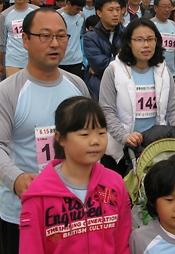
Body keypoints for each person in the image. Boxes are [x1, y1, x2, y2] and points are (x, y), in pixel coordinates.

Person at [0, 7, 91, 254]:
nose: (55, 43)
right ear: (26, 40)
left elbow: (91, 138)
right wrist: (17, 178)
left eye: (61, 36)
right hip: (23, 214)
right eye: (45, 36)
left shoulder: (77, 86)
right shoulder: (8, 92)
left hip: (72, 211)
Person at [19, 96, 131, 253]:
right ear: (60, 138)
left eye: (101, 132)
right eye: (84, 134)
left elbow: (122, 242)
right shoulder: (38, 195)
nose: (95, 141)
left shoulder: (115, 183)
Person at [99, 18, 175, 171]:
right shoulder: (113, 70)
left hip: (156, 148)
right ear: (128, 42)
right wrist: (125, 136)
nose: (146, 45)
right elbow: (107, 111)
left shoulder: (162, 69)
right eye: (139, 40)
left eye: (150, 39)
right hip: (120, 151)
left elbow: (174, 106)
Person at [0, 0, 38, 78]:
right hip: (13, 61)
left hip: (34, 61)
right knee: (15, 91)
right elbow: (0, 42)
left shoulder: (36, 12)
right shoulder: (4, 15)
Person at [83, 0, 124, 100]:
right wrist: (126, 60)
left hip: (123, 87)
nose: (115, 14)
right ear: (99, 13)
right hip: (98, 88)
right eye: (110, 10)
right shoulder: (90, 37)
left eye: (118, 10)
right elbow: (100, 65)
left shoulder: (128, 34)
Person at [57, 0, 85, 78]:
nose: (78, 11)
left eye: (80, 9)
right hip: (60, 61)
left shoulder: (81, 16)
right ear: (68, 3)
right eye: (76, 9)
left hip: (76, 60)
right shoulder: (57, 15)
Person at [151, 0, 175, 78]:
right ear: (155, 8)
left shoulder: (173, 24)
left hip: (171, 73)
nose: (167, 10)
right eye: (164, 7)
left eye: (169, 7)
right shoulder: (150, 24)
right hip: (155, 73)